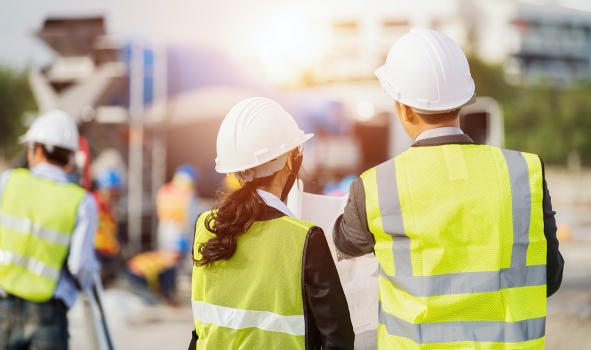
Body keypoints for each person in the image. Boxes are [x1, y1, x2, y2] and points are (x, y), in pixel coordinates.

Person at [333, 28, 564, 349]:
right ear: (465, 99)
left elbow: (346, 244)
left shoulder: (375, 186)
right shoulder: (525, 172)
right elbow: (549, 278)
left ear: (404, 107)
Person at [189, 97, 354, 349]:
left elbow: (200, 331)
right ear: (290, 160)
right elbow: (339, 339)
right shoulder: (304, 239)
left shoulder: (205, 226)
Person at [0, 110, 99, 350]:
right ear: (70, 157)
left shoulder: (9, 181)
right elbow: (79, 266)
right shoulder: (81, 202)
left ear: (38, 149)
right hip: (48, 313)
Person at [157, 164, 198, 254]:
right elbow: (191, 215)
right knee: (177, 256)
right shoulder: (188, 192)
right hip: (180, 228)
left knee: (164, 255)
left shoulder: (165, 188)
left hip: (164, 225)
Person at [93, 169, 123, 283]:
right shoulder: (94, 204)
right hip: (97, 252)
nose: (115, 196)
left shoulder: (108, 208)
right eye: (113, 192)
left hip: (107, 253)